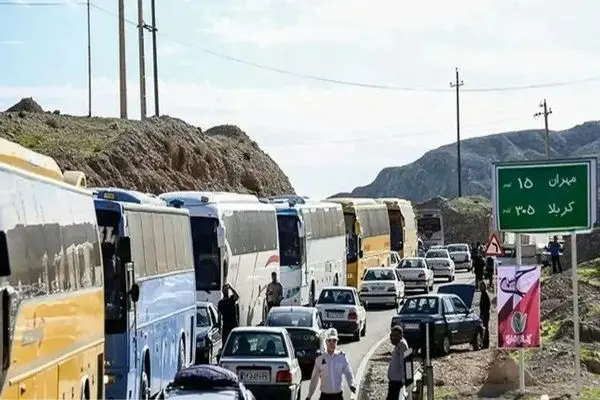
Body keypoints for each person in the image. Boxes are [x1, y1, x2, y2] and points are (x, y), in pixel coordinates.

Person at [306, 328, 356, 400]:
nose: (332, 343)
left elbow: (348, 372)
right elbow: (314, 379)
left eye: (334, 341)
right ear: (326, 342)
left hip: (338, 396)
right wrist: (309, 396)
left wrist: (351, 384)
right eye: (329, 341)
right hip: (325, 396)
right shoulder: (320, 359)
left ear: (337, 342)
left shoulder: (341, 357)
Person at [387, 325, 409, 400]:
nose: (392, 338)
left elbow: (403, 364)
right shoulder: (398, 346)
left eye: (395, 336)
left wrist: (403, 380)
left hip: (397, 381)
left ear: (400, 336)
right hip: (394, 380)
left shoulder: (402, 346)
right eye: (392, 335)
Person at [479, 281, 491, 349]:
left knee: (485, 328)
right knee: (484, 328)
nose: (480, 288)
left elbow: (487, 305)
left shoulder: (485, 294)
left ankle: (486, 344)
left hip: (485, 314)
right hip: (484, 313)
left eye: (481, 286)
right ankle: (484, 343)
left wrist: (483, 314)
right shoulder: (483, 294)